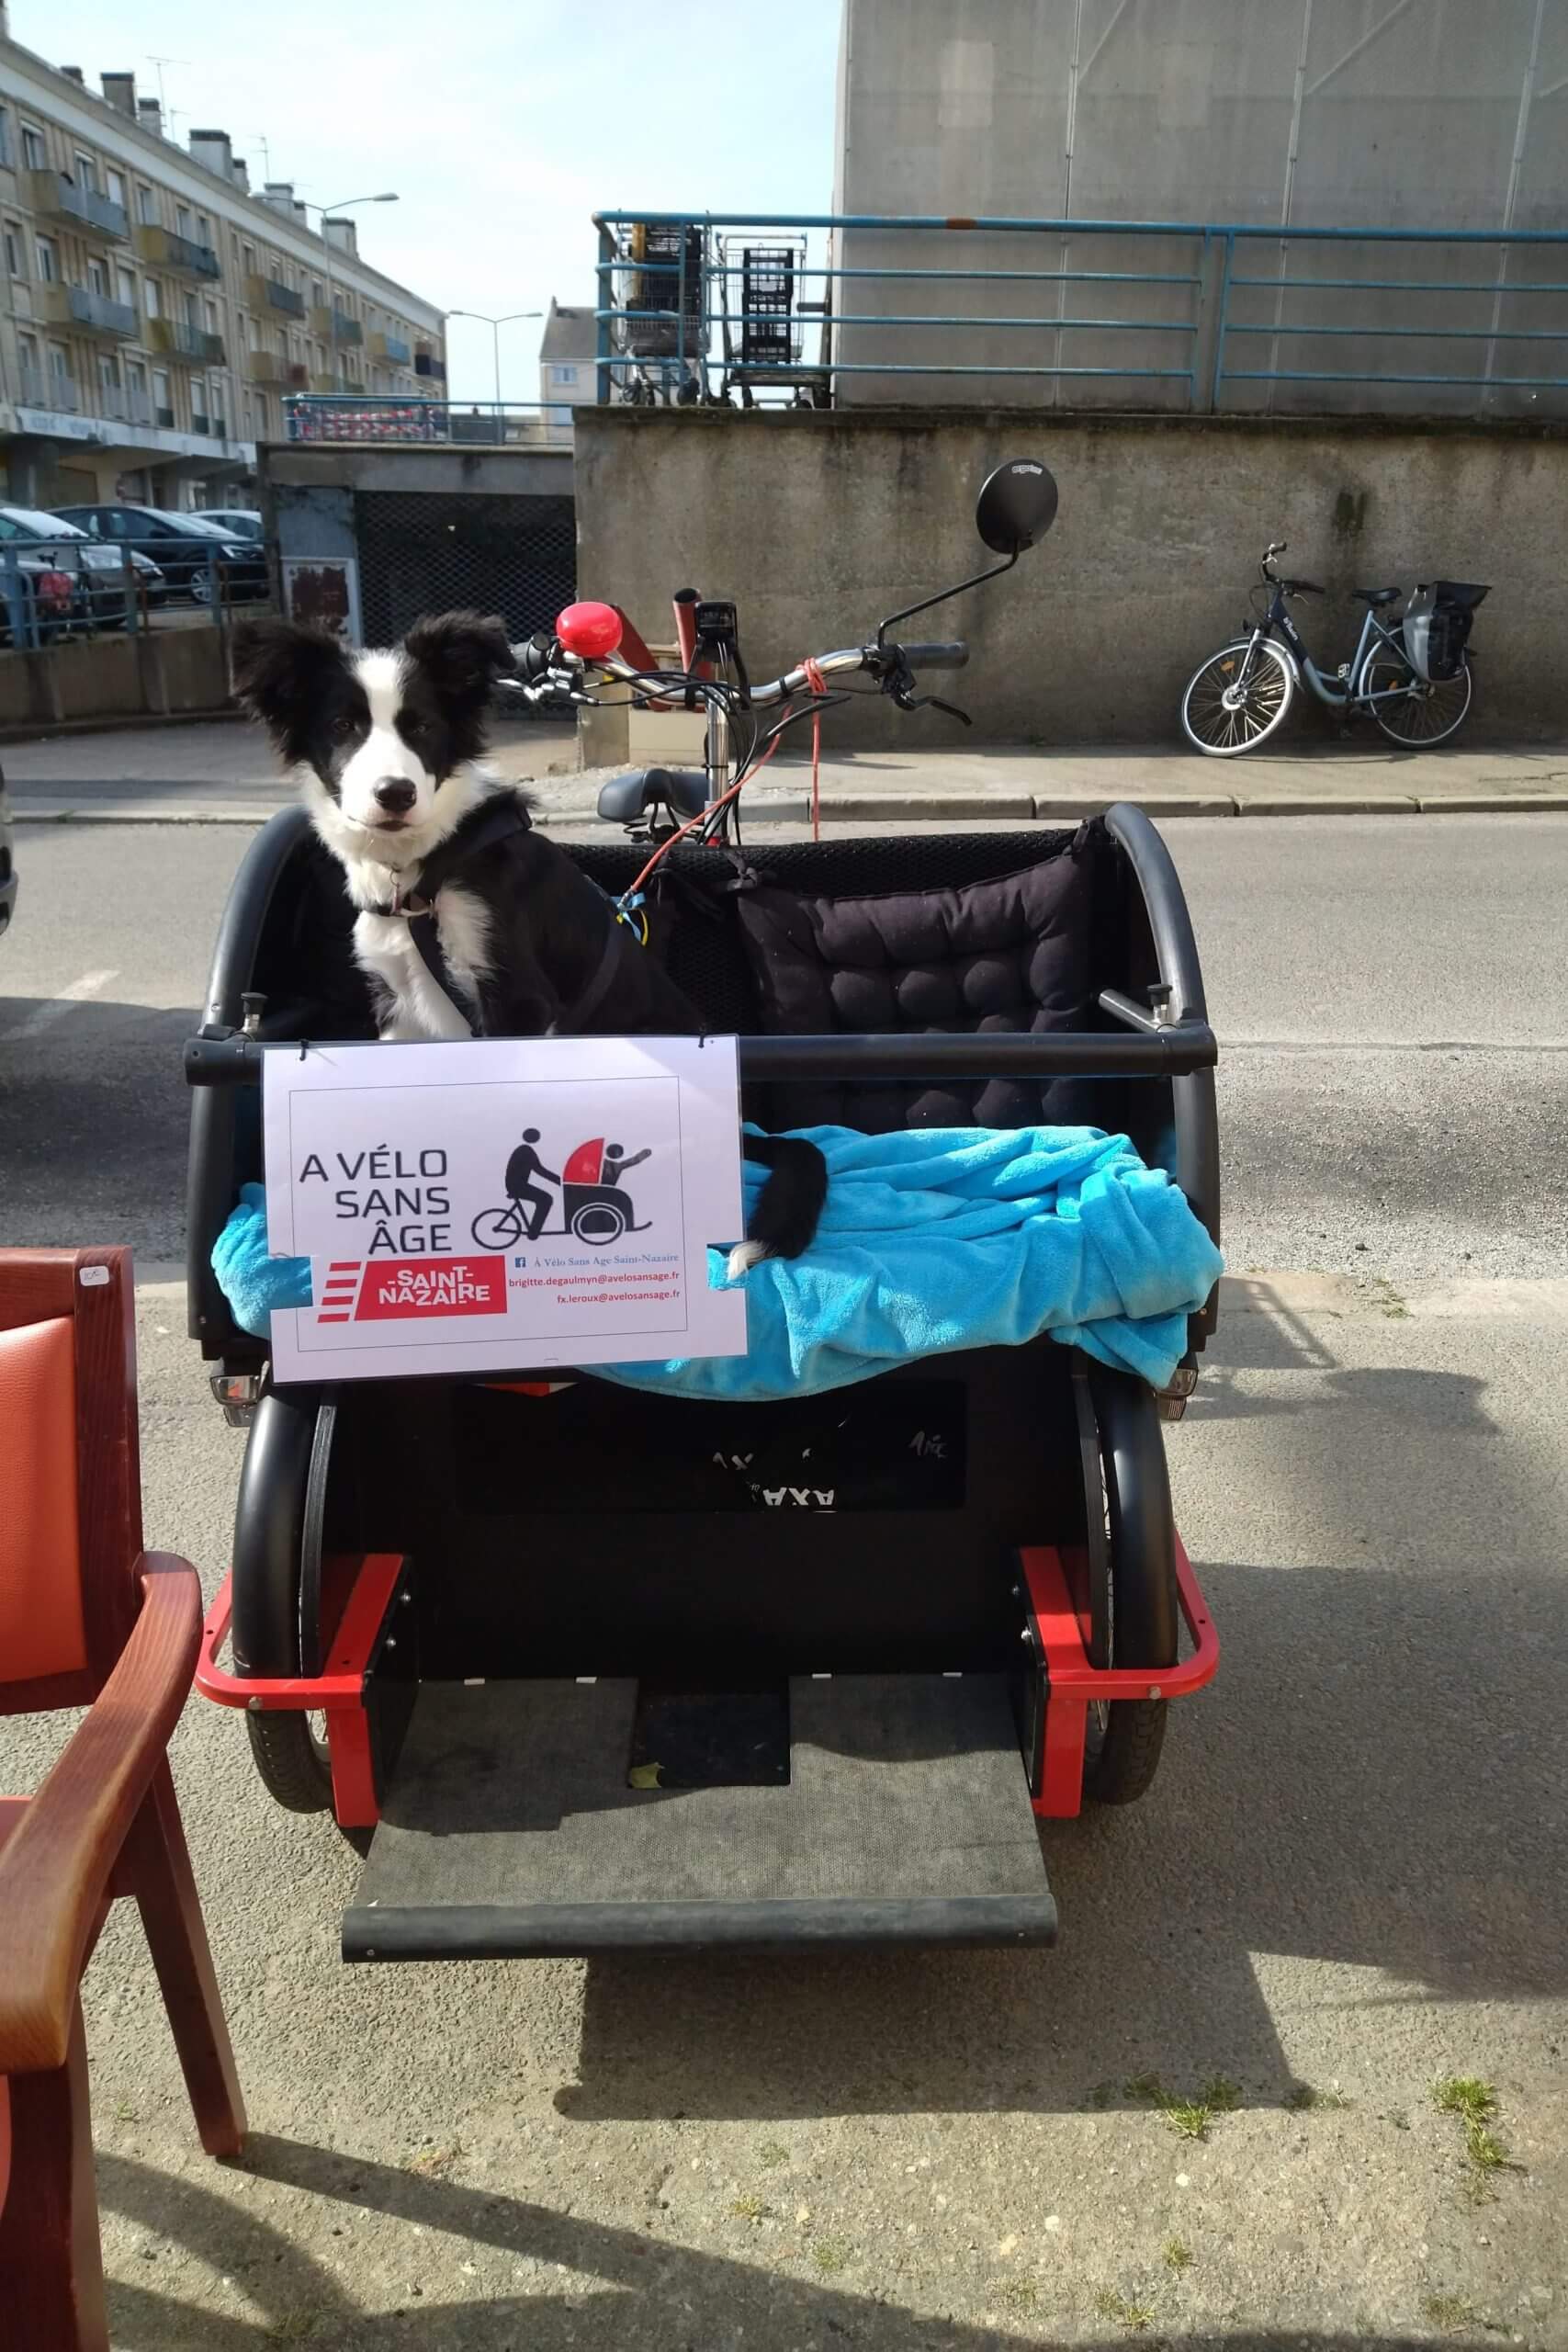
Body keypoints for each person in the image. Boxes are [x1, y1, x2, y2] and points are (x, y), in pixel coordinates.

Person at [504, 1128, 559, 1238]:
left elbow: (539, 1169)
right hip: (517, 1186)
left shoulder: (523, 1149)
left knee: (545, 1199)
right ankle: (533, 1233)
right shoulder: (526, 1150)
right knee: (546, 1199)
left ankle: (533, 1231)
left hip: (515, 1184)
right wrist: (560, 1181)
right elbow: (539, 1170)